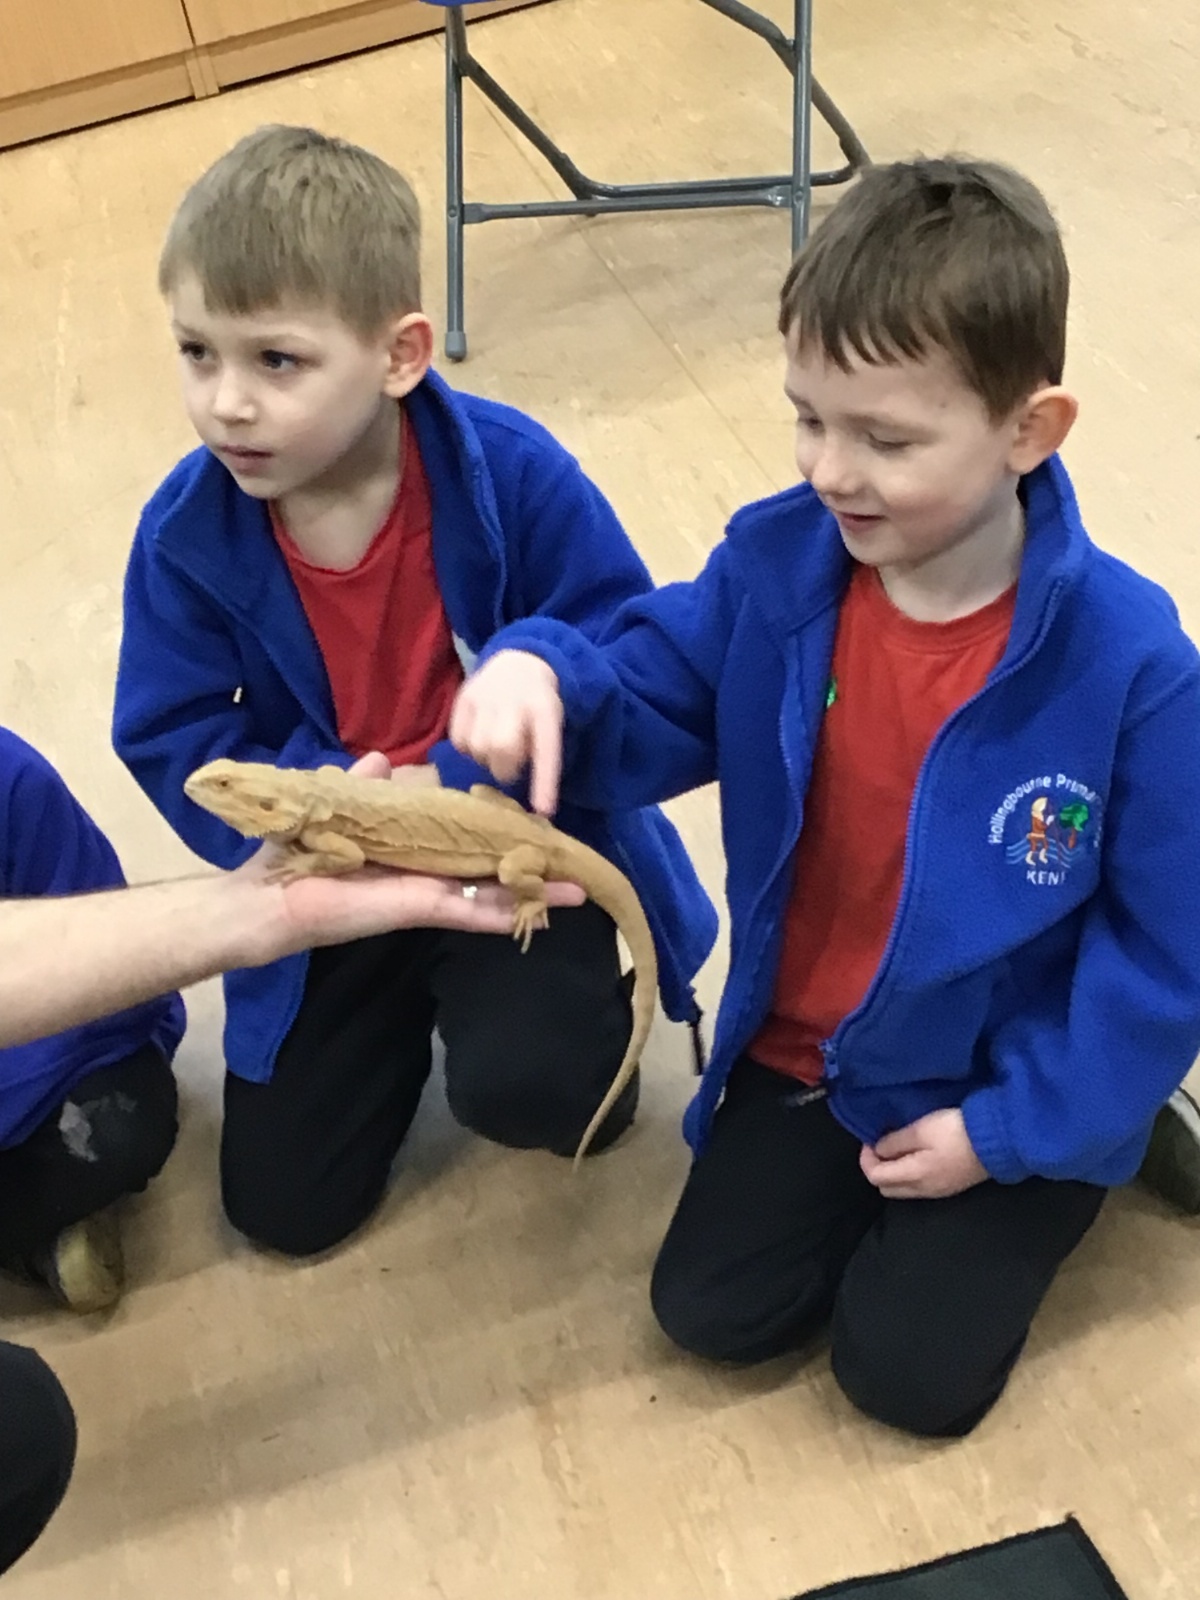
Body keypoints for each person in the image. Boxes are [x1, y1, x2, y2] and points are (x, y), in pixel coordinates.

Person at [449, 156, 1200, 1437]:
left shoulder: (1133, 668)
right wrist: (543, 675)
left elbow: (1168, 949)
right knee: (708, 1313)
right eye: (809, 417)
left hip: (997, 1074)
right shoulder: (777, 566)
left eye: (886, 439)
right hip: (817, 1055)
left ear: (1030, 431)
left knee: (905, 1377)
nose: (830, 471)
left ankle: (1104, 1140)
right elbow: (651, 679)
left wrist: (1006, 1131)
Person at [111, 125, 716, 1260]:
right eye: (197, 352)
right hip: (332, 870)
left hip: (504, 838)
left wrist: (540, 664)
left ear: (401, 355)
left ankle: (574, 1030)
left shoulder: (514, 471)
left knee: (548, 1097)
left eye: (276, 361)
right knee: (284, 1210)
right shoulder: (185, 533)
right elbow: (169, 731)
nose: (226, 404)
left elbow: (624, 636)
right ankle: (398, 1015)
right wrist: (306, 800)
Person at [0, 745, 584, 1576]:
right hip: (345, 858)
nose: (219, 790)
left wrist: (254, 905)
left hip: (500, 859)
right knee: (284, 1200)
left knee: (124, 1129)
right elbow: (178, 745)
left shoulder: (16, 781)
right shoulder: (294, 810)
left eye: (234, 786)